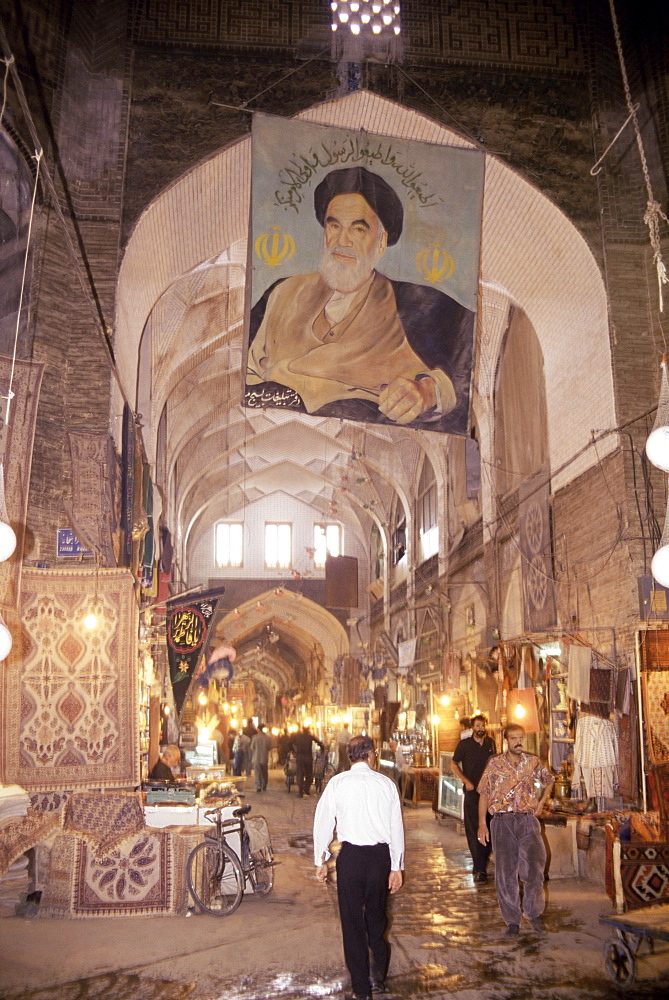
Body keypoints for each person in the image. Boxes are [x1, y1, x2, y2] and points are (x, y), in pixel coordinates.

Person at [246, 166, 474, 433]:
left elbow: (468, 365)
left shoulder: (419, 304)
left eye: (358, 230)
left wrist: (427, 391)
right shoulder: (282, 292)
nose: (342, 240)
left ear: (380, 242)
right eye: (334, 226)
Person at [313, 735, 404, 1000]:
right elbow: (395, 828)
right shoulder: (386, 784)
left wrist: (321, 860)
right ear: (371, 754)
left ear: (349, 756)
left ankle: (361, 989)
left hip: (350, 859)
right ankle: (379, 977)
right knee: (376, 918)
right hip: (379, 859)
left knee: (352, 923)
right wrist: (396, 867)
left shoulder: (337, 784)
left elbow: (323, 821)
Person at [477, 724, 554, 936]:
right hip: (502, 822)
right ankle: (512, 921)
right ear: (506, 741)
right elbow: (484, 794)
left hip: (527, 821)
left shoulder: (533, 762)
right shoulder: (495, 765)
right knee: (506, 873)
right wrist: (482, 824)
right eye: (513, 738)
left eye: (521, 737)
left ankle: (533, 912)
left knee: (535, 869)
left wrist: (542, 802)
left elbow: (549, 780)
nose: (518, 741)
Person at [451, 714, 496, 883]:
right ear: (472, 728)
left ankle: (483, 862)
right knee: (474, 829)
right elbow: (453, 764)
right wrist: (466, 781)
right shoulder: (464, 745)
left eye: (483, 725)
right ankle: (479, 868)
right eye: (478, 725)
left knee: (489, 828)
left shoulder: (490, 744)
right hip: (472, 794)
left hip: (489, 793)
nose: (480, 728)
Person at [291, 725, 324, 798]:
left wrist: (294, 751)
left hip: (300, 757)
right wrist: (322, 750)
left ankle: (300, 792)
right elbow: (319, 743)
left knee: (300, 774)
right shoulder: (310, 736)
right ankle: (306, 789)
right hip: (308, 757)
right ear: (308, 730)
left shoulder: (298, 736)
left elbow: (289, 743)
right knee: (309, 774)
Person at [251, 725, 271, 792]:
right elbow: (269, 748)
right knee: (264, 772)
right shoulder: (267, 738)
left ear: (258, 729)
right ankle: (264, 785)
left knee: (257, 773)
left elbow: (252, 747)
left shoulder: (255, 738)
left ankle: (258, 786)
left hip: (256, 758)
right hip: (264, 758)